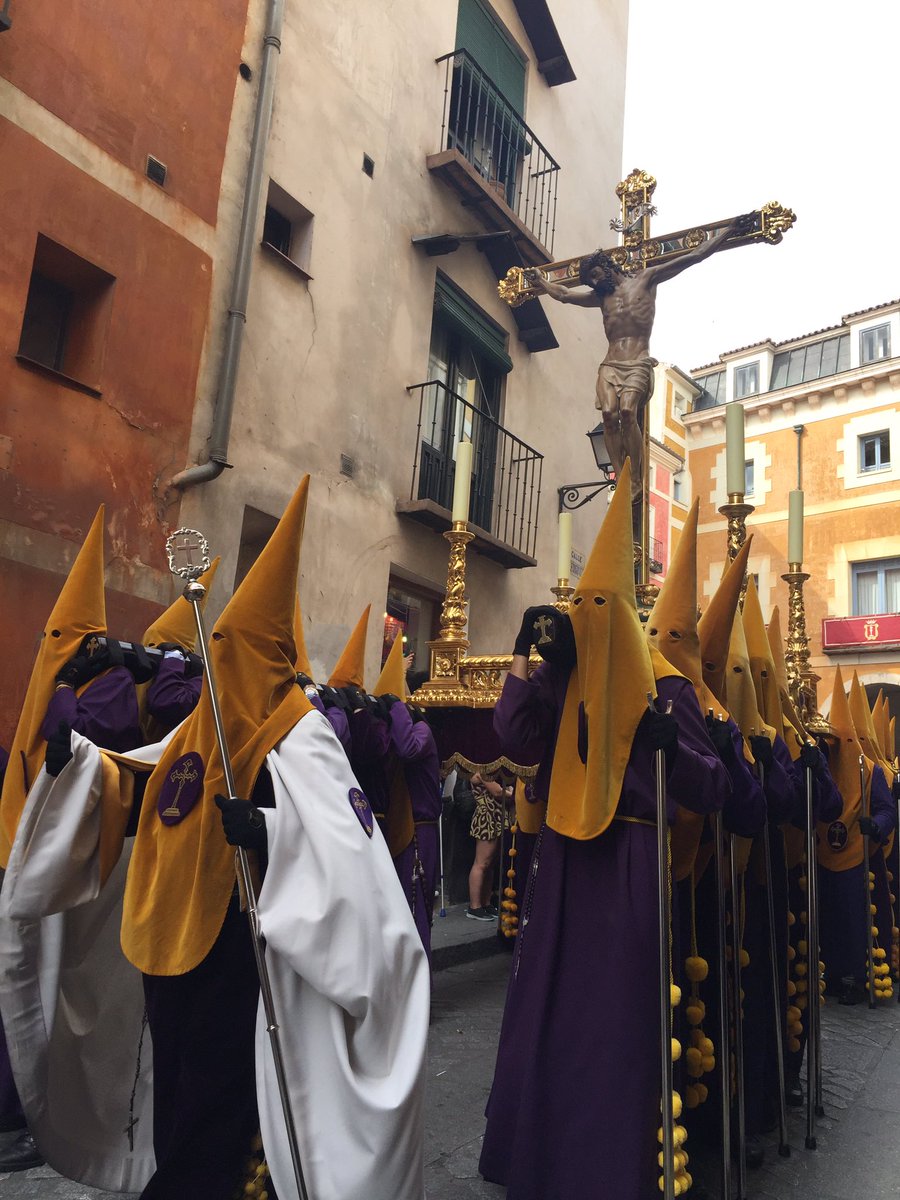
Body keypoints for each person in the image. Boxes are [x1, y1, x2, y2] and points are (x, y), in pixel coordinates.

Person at [0, 477, 430, 1200]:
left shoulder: (303, 742)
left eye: (237, 650)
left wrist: (268, 829)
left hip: (245, 960)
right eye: (217, 647)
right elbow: (139, 791)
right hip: (173, 956)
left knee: (218, 1108)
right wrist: (78, 767)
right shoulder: (195, 736)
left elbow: (351, 860)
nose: (221, 665)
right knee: (179, 1095)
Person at [480, 461, 730, 1200]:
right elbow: (516, 735)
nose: (585, 612)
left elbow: (711, 784)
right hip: (563, 864)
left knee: (613, 1028)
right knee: (545, 1013)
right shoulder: (566, 676)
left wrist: (668, 744)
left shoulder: (667, 688)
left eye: (598, 603)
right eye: (576, 603)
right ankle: (536, 1156)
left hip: (628, 867)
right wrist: (525, 653)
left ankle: (607, 1168)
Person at [528, 213, 754, 502]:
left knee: (626, 412)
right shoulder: (600, 298)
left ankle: (636, 478)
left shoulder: (647, 279)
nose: (594, 283)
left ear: (608, 267)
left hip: (637, 361)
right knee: (609, 415)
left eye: (595, 275)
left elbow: (695, 256)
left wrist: (729, 230)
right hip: (610, 364)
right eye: (590, 280)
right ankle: (621, 475)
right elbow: (563, 295)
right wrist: (542, 282)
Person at [466, 771, 512, 921]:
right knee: (481, 863)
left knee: (490, 864)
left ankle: (485, 902)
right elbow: (498, 791)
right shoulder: (482, 770)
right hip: (487, 819)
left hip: (496, 817)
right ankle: (475, 906)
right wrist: (512, 792)